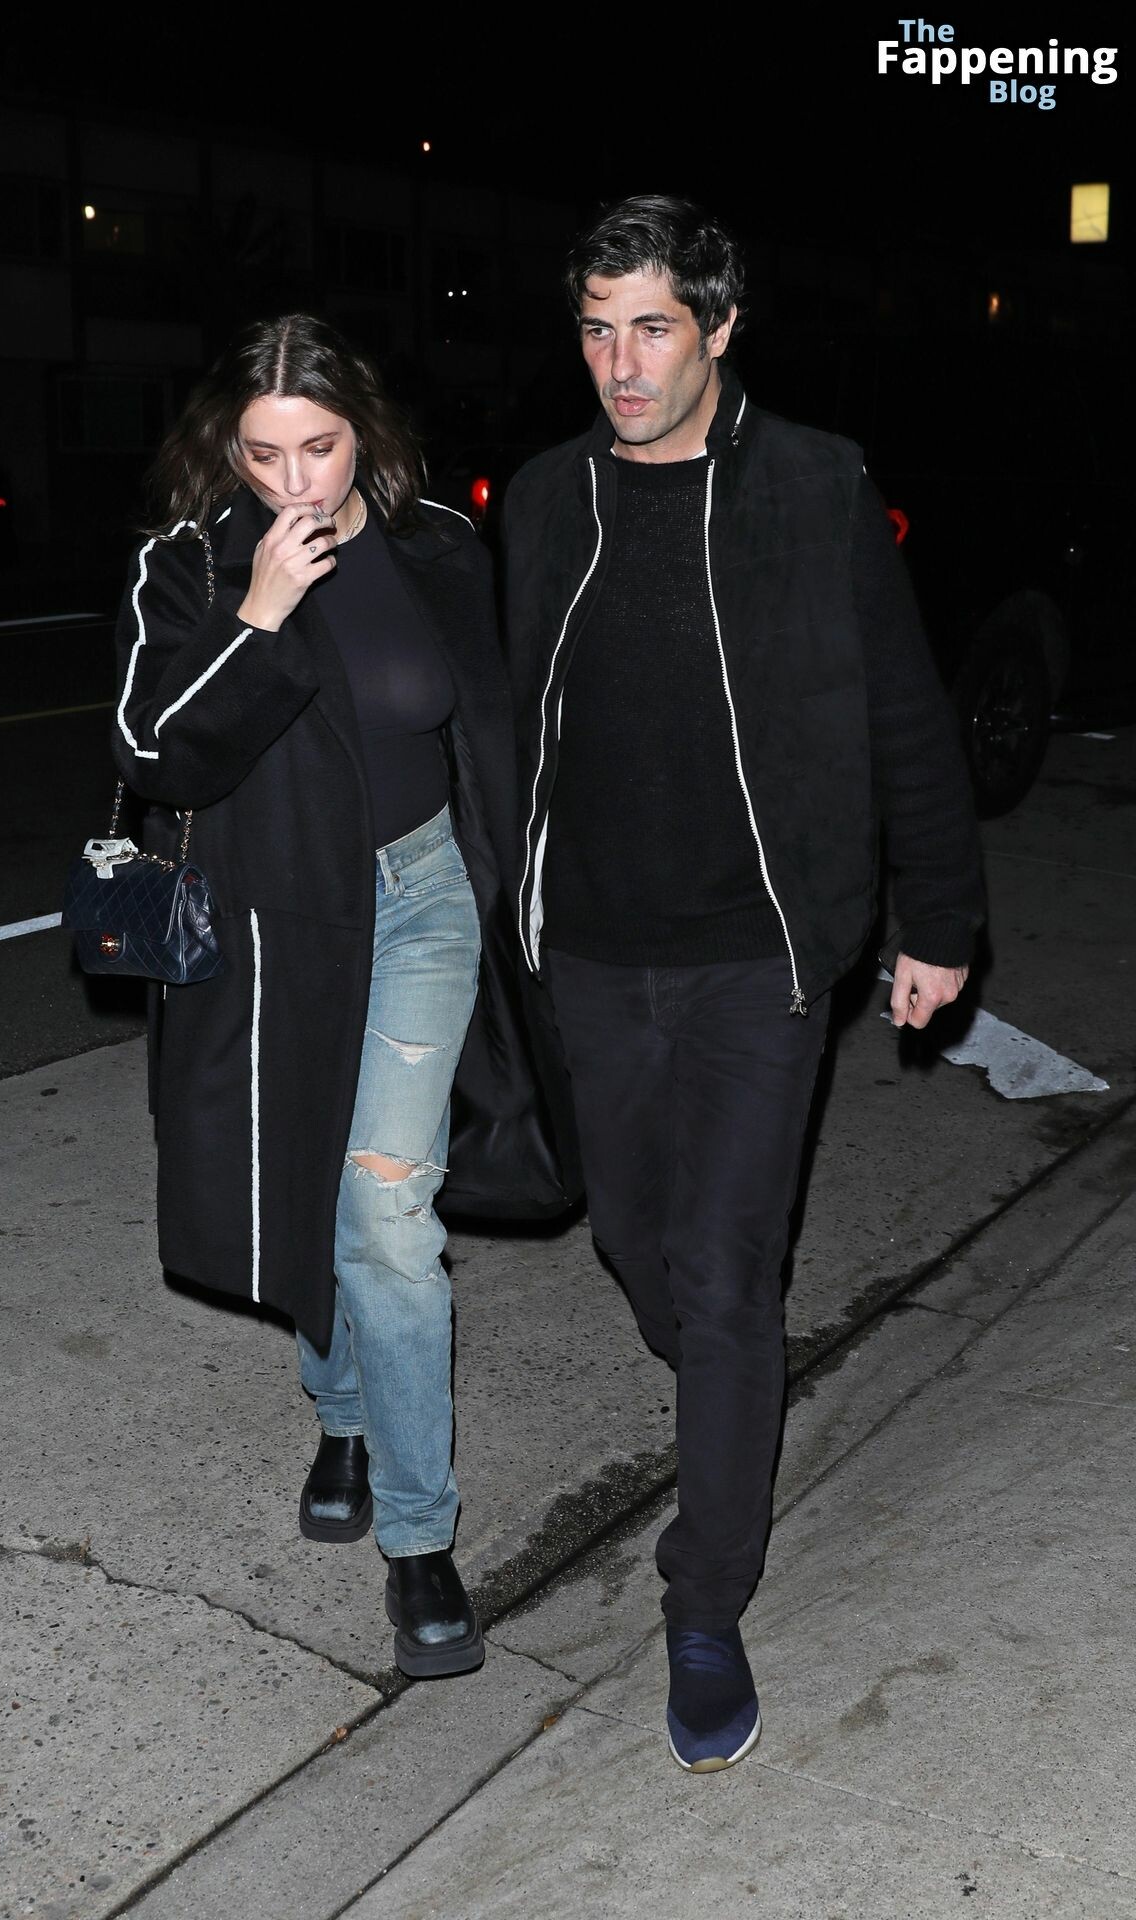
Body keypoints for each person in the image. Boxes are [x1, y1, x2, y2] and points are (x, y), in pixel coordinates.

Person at [500, 196, 985, 1770]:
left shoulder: (811, 487)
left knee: (722, 1272)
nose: (621, 364)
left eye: (652, 328)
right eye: (596, 329)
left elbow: (904, 713)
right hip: (595, 954)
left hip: (756, 955)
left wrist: (936, 918)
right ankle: (728, 1372)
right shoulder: (550, 497)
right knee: (635, 1243)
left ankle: (704, 1599)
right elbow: (513, 721)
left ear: (717, 328)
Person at [112, 313, 523, 1678]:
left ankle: (419, 1539)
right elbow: (155, 753)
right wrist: (262, 613)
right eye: (264, 453)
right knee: (311, 1186)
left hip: (421, 903)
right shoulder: (191, 565)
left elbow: (498, 728)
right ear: (226, 448)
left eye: (322, 447)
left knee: (386, 1215)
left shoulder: (435, 546)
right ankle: (342, 1412)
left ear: (367, 434)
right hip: (278, 927)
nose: (294, 481)